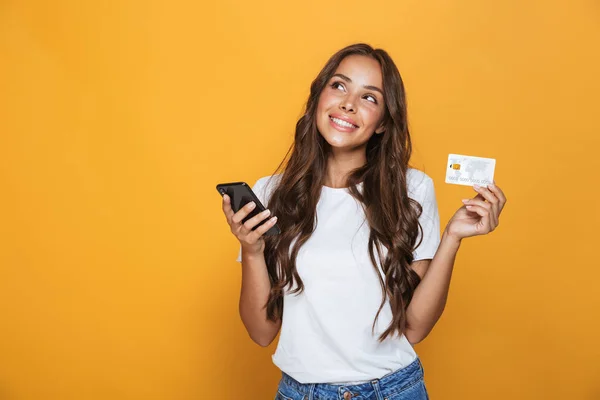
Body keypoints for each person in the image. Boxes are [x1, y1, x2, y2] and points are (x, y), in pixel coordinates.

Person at [220, 43, 507, 400]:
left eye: (369, 98)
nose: (348, 104)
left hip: (392, 390)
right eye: (339, 86)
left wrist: (451, 237)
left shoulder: (411, 189)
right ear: (318, 97)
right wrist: (250, 251)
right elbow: (261, 332)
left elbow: (415, 328)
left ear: (384, 122)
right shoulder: (272, 192)